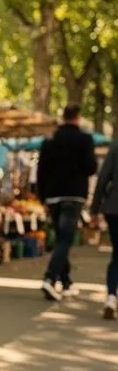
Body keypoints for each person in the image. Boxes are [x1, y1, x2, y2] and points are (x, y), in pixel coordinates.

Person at [38, 105, 97, 303]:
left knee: (60, 237)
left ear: (63, 117)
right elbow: (91, 168)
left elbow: (41, 171)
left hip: (53, 196)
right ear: (78, 117)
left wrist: (42, 197)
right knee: (65, 238)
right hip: (73, 196)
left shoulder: (50, 140)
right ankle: (50, 278)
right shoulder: (85, 140)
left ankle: (66, 280)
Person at [90, 136, 118, 320]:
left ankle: (110, 296)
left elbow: (103, 177)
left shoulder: (116, 144)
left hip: (114, 206)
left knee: (117, 254)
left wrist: (95, 208)